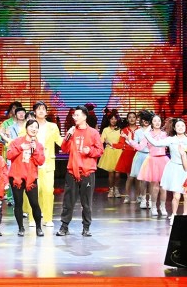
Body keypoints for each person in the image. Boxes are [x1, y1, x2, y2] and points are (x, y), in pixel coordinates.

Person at [57, 105, 103, 236]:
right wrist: (68, 135)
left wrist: (90, 151)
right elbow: (64, 149)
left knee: (86, 202)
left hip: (87, 172)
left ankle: (86, 227)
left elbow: (100, 150)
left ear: (84, 116)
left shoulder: (93, 133)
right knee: (68, 201)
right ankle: (64, 226)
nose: (74, 117)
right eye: (74, 115)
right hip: (72, 171)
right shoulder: (72, 131)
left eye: (77, 115)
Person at [6, 118, 47, 236]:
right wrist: (21, 148)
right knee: (18, 203)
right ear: (26, 128)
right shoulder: (16, 142)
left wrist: (35, 150)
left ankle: (38, 228)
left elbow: (41, 161)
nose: (34, 129)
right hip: (17, 177)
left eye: (36, 127)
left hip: (31, 178)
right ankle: (21, 228)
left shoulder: (38, 145)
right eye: (31, 126)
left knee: (34, 203)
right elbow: (9, 155)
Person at [31, 101, 62, 227]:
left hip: (48, 162)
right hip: (32, 163)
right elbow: (21, 140)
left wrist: (71, 142)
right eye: (38, 109)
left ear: (46, 112)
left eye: (43, 109)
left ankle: (48, 219)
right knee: (34, 192)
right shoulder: (30, 125)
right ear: (34, 112)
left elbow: (60, 141)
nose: (41, 111)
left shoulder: (53, 126)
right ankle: (33, 218)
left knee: (48, 191)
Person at [138, 112, 171, 218]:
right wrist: (129, 141)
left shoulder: (165, 134)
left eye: (159, 121)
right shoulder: (148, 134)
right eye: (155, 121)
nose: (157, 122)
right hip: (153, 161)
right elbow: (140, 147)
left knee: (163, 187)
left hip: (163, 160)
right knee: (155, 187)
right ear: (151, 123)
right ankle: (153, 207)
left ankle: (163, 207)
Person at [97, 108, 123, 197]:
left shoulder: (120, 129)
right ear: (109, 120)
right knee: (111, 173)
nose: (113, 120)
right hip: (109, 152)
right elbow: (101, 141)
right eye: (112, 119)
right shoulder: (105, 130)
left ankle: (117, 189)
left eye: (115, 119)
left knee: (118, 174)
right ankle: (111, 190)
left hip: (118, 152)